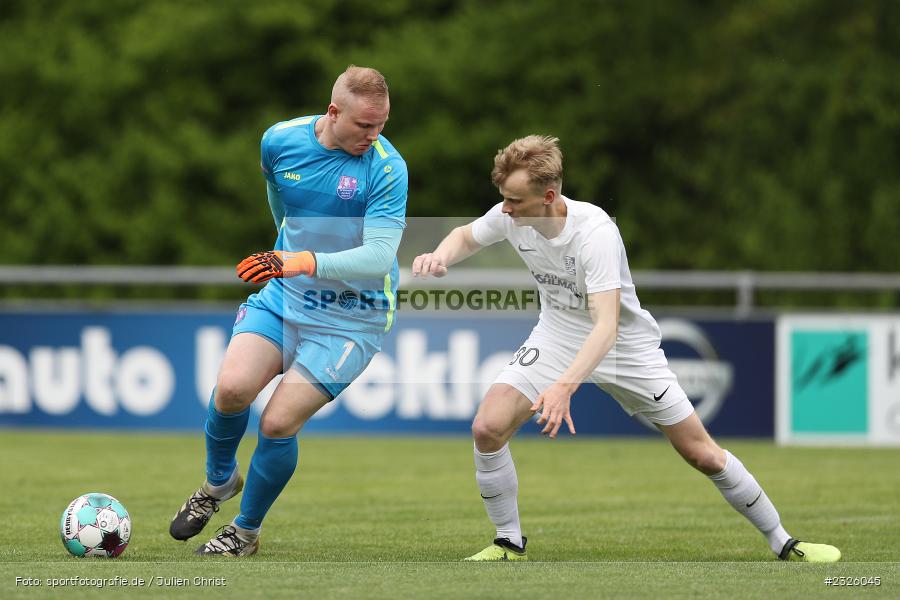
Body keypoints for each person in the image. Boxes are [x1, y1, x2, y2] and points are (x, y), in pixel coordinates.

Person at [411, 135, 840, 563]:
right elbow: (466, 235)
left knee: (701, 453)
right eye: (503, 199)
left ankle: (785, 542)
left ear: (549, 196)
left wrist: (564, 387)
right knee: (487, 427)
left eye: (514, 201)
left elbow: (607, 327)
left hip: (624, 347)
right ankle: (509, 543)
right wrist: (440, 255)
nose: (505, 208)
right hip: (558, 334)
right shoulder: (512, 214)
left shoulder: (595, 232)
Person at [169, 65, 407, 556]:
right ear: (333, 112)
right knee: (231, 389)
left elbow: (381, 256)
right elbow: (281, 206)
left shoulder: (387, 167)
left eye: (381, 124)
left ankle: (245, 532)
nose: (374, 135)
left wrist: (296, 260)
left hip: (351, 316)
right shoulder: (279, 141)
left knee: (277, 423)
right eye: (365, 125)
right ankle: (217, 485)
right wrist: (291, 259)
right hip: (286, 298)